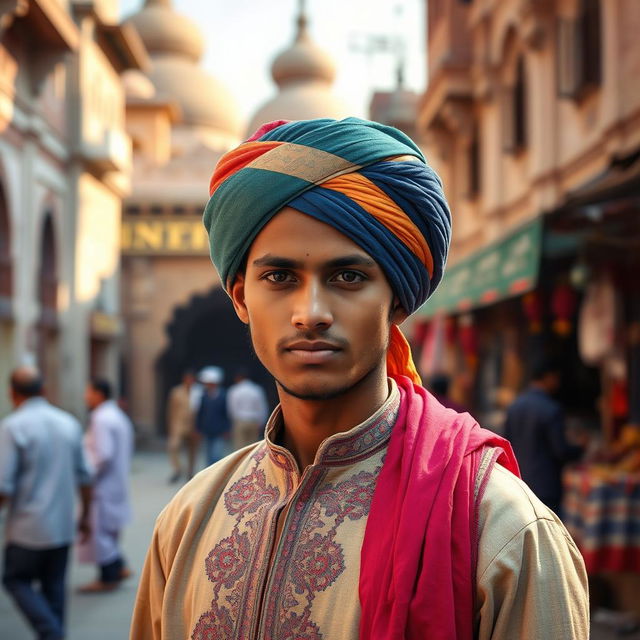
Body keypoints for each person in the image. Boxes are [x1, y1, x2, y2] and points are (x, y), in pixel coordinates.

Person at [131, 118, 588, 639]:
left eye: (348, 277)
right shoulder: (189, 519)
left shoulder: (502, 532)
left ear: (395, 300)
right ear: (240, 298)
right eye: (279, 277)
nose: (311, 312)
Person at [0, 366, 93, 640]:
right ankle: (53, 632)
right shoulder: (68, 423)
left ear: (12, 393)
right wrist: (85, 516)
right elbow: (85, 478)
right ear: (43, 390)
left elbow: (3, 486)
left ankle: (51, 633)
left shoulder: (13, 426)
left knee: (15, 580)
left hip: (26, 529)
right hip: (61, 526)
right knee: (54, 588)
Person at [504, 358, 585, 515]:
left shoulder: (514, 407)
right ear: (549, 377)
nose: (558, 383)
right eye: (557, 378)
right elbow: (560, 451)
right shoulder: (551, 409)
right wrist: (580, 447)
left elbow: (505, 444)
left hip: (518, 484)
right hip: (546, 488)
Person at [78, 378, 134, 593]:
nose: (86, 396)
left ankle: (108, 576)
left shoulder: (101, 418)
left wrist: (86, 476)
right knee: (107, 532)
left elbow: (102, 454)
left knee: (98, 532)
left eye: (88, 391)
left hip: (102, 484)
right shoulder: (115, 415)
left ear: (99, 394)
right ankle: (118, 568)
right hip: (115, 482)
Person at [166, 370, 199, 483]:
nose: (189, 381)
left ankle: (190, 471)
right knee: (174, 447)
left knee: (192, 450)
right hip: (178, 424)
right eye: (187, 379)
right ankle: (177, 469)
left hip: (193, 425)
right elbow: (171, 410)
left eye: (191, 379)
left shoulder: (198, 392)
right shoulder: (176, 392)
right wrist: (170, 426)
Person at [195, 366, 231, 465]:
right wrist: (198, 429)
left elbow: (227, 413)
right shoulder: (204, 396)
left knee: (216, 455)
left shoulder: (223, 396)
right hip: (207, 430)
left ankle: (217, 476)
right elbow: (200, 414)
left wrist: (227, 429)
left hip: (219, 430)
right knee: (208, 455)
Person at [226, 368, 269, 450]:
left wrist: (233, 420)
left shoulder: (235, 390)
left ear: (238, 377)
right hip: (254, 420)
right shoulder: (256, 389)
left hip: (240, 420)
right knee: (253, 447)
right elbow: (262, 407)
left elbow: (232, 408)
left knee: (239, 447)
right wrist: (262, 421)